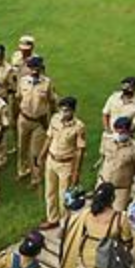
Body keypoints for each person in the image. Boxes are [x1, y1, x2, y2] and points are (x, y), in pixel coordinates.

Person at [37, 96, 86, 229]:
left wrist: (76, 173)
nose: (64, 113)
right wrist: (41, 155)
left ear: (73, 111)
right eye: (62, 110)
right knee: (50, 192)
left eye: (67, 110)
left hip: (66, 164)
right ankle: (52, 219)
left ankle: (65, 225)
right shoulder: (55, 119)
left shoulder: (79, 127)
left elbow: (80, 151)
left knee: (64, 196)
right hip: (51, 160)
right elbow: (49, 138)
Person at [16, 56, 56, 186]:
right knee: (22, 147)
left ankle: (36, 178)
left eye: (36, 67)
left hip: (39, 122)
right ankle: (22, 170)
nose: (34, 70)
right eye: (31, 67)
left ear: (41, 68)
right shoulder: (23, 81)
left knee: (35, 151)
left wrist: (53, 119)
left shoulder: (47, 83)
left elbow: (52, 101)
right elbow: (18, 97)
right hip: (24, 119)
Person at [97, 116, 135, 212]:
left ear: (128, 131)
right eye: (117, 131)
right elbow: (103, 155)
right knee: (98, 211)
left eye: (122, 132)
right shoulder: (107, 141)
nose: (119, 134)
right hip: (103, 182)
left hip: (121, 189)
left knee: (117, 215)